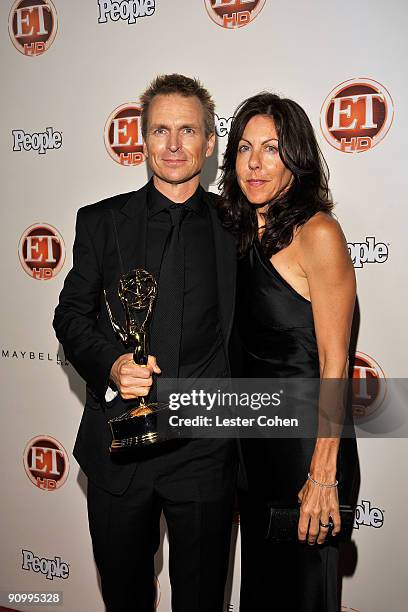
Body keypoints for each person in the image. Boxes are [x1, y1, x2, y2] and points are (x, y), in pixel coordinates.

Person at [53, 74, 238, 612]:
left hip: (205, 446)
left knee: (202, 599)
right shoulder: (102, 222)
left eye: (188, 131)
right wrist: (111, 364)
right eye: (161, 130)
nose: (174, 145)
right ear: (142, 139)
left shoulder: (238, 226)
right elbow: (70, 315)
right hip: (120, 444)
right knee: (125, 597)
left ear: (209, 143)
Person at [218, 92, 358, 611]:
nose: (254, 163)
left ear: (295, 158)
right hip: (254, 447)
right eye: (244, 148)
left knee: (301, 593)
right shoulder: (237, 231)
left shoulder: (317, 233)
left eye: (271, 149)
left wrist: (324, 471)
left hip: (306, 447)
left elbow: (336, 362)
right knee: (261, 590)